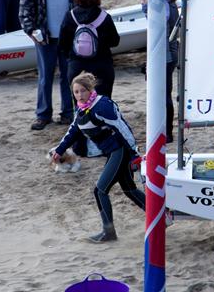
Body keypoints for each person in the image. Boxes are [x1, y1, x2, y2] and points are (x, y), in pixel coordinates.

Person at [51, 72, 145, 243]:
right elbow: (73, 130)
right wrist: (60, 149)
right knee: (130, 190)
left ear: (90, 89)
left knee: (100, 190)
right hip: (112, 152)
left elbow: (122, 128)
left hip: (120, 151)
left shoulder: (101, 106)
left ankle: (108, 232)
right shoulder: (82, 108)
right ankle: (163, 215)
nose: (79, 95)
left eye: (82, 91)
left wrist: (134, 154)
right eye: (76, 92)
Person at [20, 0, 86, 130]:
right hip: (44, 36)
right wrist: (30, 29)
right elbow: (25, 5)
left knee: (69, 76)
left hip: (68, 36)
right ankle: (43, 115)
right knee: (45, 76)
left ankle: (68, 113)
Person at [59, 0, 120, 99]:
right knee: (102, 102)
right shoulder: (104, 17)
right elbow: (115, 41)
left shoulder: (69, 16)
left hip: (77, 66)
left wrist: (71, 56)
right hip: (102, 66)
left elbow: (62, 44)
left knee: (80, 104)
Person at [140, 0, 180, 144]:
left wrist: (144, 5)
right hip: (170, 54)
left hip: (164, 56)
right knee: (165, 94)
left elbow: (157, 24)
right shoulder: (170, 4)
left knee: (161, 96)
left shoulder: (160, 6)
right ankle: (167, 131)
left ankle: (166, 132)